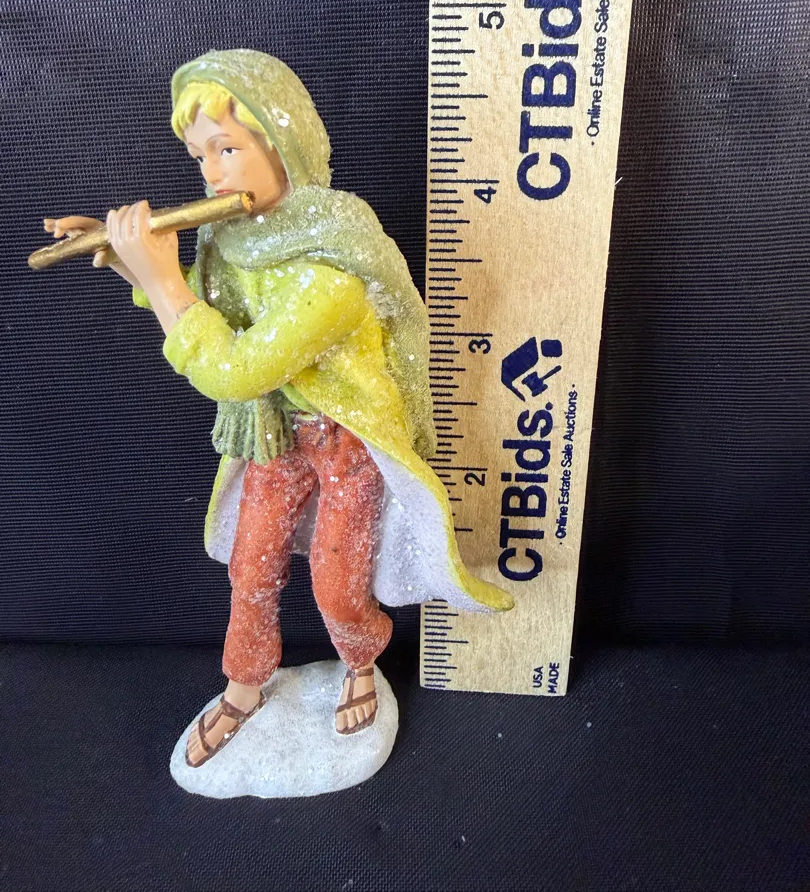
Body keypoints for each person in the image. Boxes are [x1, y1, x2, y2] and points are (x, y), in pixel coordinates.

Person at [45, 49, 512, 768]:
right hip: (274, 437)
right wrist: (133, 262)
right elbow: (213, 305)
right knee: (251, 563)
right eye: (200, 155)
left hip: (346, 441)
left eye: (228, 148)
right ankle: (243, 683)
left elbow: (235, 370)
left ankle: (360, 661)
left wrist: (163, 282)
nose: (212, 172)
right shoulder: (231, 239)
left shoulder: (334, 269)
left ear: (281, 142)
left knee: (337, 581)